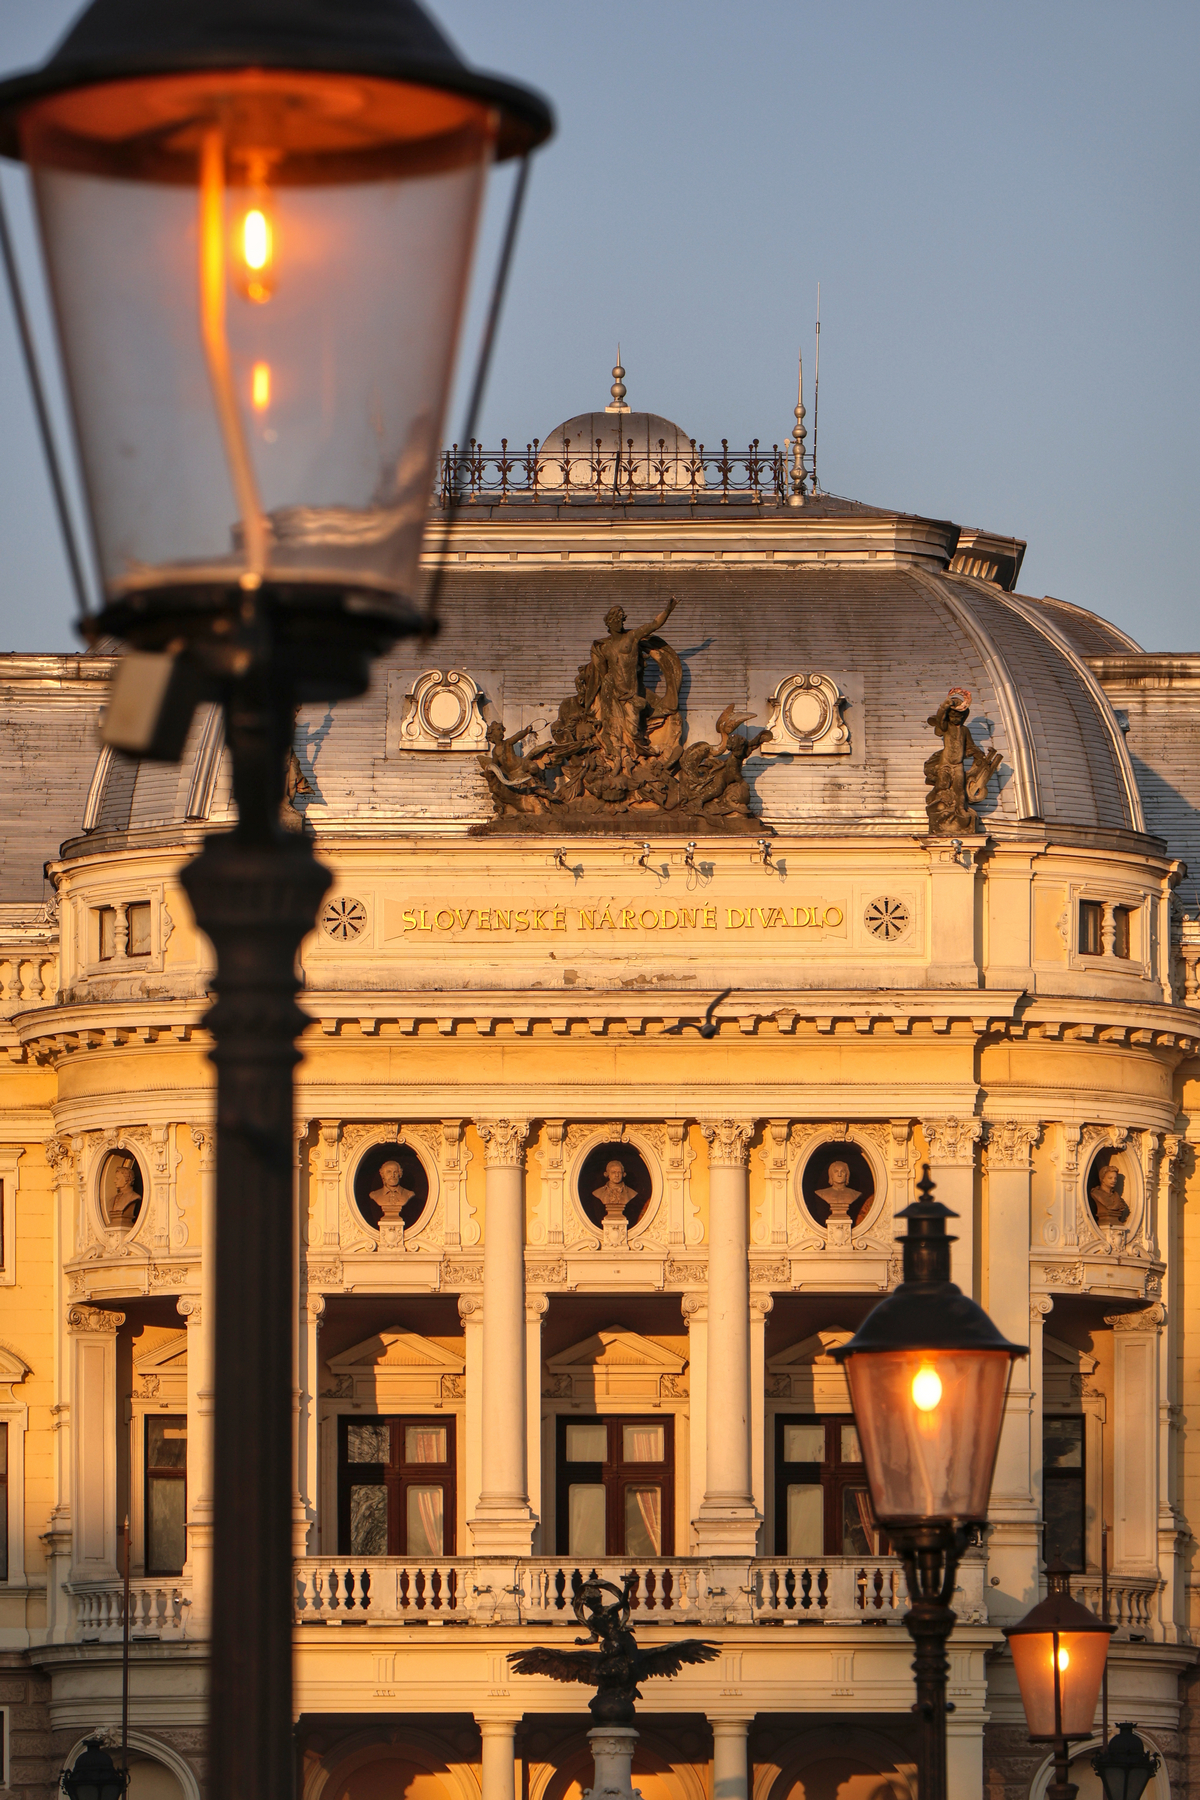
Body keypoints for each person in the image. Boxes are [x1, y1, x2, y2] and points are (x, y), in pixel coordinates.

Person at [593, 1157, 638, 1221]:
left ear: (623, 1174)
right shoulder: (598, 1193)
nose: (617, 1175)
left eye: (619, 1172)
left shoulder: (631, 1193)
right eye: (613, 1172)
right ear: (607, 1174)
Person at [106, 1153, 142, 1229]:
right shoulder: (112, 1200)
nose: (114, 1181)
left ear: (127, 1180)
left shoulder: (134, 1197)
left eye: (117, 1179)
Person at [1089, 1162, 1129, 1228]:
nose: (1113, 1180)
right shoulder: (1096, 1194)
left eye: (1115, 1178)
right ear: (1102, 1179)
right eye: (1110, 1178)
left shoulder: (1117, 1197)